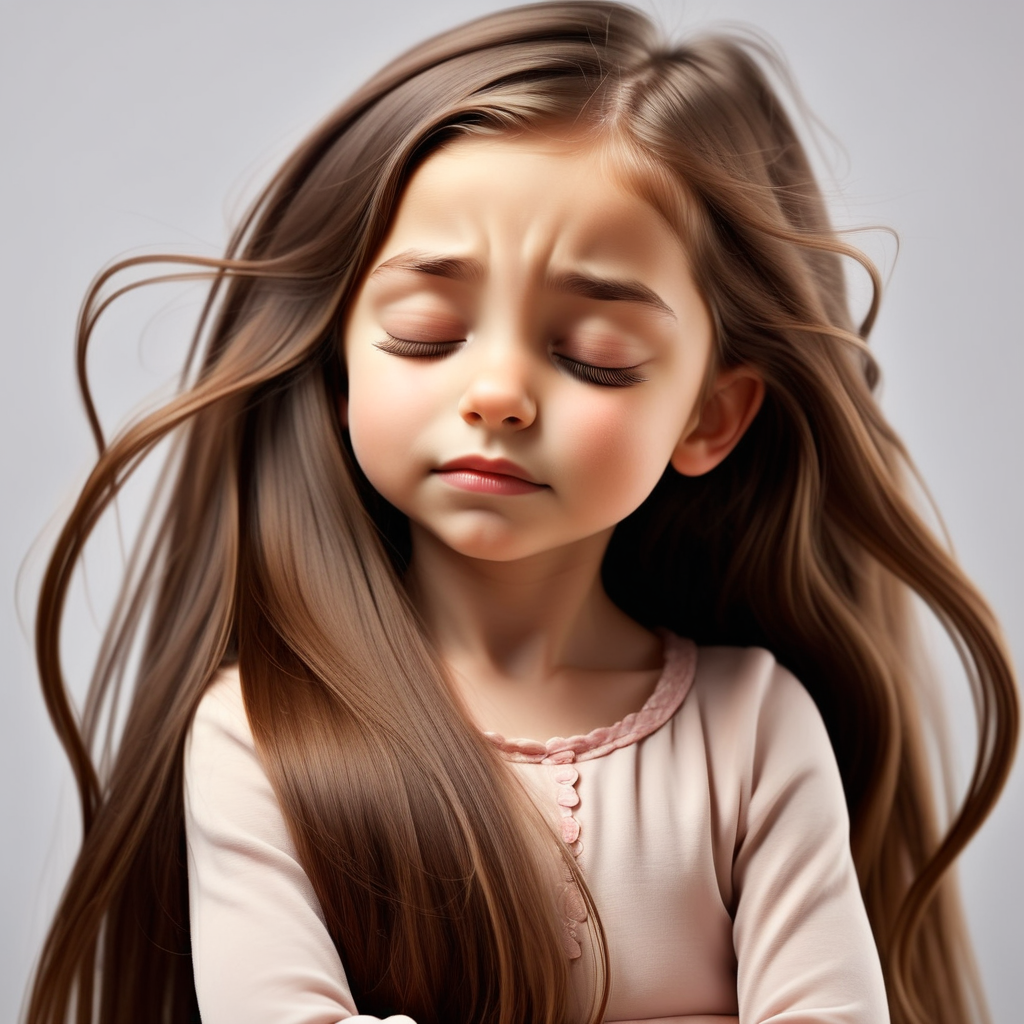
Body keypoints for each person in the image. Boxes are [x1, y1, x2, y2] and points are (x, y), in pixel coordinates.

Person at [25, 3, 1018, 1023]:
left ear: (709, 415)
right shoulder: (261, 735)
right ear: (337, 369)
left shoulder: (754, 727)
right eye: (426, 332)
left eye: (594, 354)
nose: (497, 391)